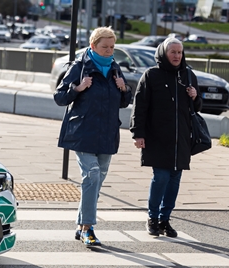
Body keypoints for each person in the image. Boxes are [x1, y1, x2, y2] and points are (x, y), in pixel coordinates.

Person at [54, 27, 132, 246]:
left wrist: (124, 88)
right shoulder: (79, 67)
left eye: (112, 47)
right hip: (83, 132)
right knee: (93, 176)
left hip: (107, 133)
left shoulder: (115, 69)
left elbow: (124, 101)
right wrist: (77, 88)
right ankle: (88, 228)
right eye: (104, 47)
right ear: (93, 46)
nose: (109, 51)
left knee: (94, 184)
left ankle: (81, 225)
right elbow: (59, 97)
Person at [130, 38, 200, 238]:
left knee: (174, 180)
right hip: (157, 137)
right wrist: (138, 133)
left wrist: (195, 96)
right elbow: (140, 106)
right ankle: (152, 217)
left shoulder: (188, 75)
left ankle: (165, 219)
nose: (177, 56)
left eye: (180, 52)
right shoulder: (151, 75)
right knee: (161, 177)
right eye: (173, 52)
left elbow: (197, 108)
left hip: (181, 139)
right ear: (163, 53)